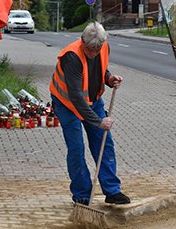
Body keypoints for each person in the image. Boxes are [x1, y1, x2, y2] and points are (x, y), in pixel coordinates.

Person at [49, 21, 130, 205]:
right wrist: (99, 121)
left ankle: (112, 190)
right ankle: (82, 195)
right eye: (89, 49)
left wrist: (109, 79)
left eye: (96, 50)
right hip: (68, 105)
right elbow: (76, 97)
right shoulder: (72, 56)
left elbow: (100, 69)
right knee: (77, 148)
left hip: (93, 101)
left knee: (104, 142)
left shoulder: (103, 47)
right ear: (82, 41)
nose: (92, 53)